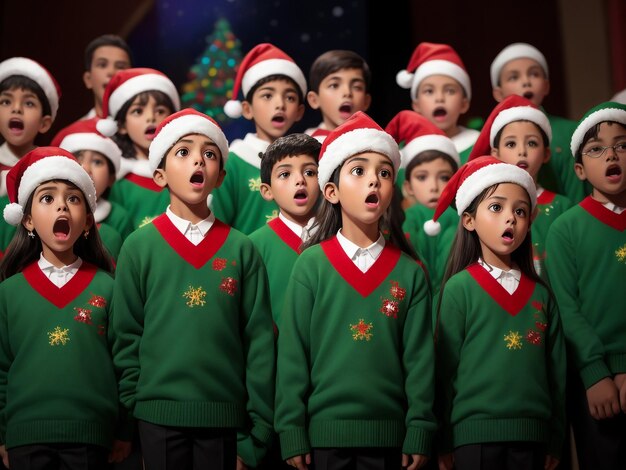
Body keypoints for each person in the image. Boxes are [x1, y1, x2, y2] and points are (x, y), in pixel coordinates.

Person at [111, 108, 275, 470]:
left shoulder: (242, 248)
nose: (198, 160)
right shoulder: (138, 247)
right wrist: (137, 407)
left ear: (220, 177)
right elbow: (125, 336)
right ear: (159, 174)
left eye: (210, 153)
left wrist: (257, 429)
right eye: (183, 152)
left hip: (224, 419)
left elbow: (259, 341)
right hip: (156, 418)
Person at [275, 111, 436, 470]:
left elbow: (421, 363)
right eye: (359, 171)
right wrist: (291, 430)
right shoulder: (310, 266)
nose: (374, 183)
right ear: (330, 191)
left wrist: (420, 429)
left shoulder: (411, 273)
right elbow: (292, 357)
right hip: (323, 440)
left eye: (384, 173)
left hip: (392, 441)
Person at [0, 147, 131, 469]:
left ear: (88, 221)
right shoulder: (8, 292)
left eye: (73, 199)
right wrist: (4, 434)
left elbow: (126, 364)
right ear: (27, 219)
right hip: (24, 439)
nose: (61, 205)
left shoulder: (109, 288)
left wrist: (124, 431)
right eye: (47, 198)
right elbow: (2, 371)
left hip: (92, 438)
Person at [432, 156, 566, 470]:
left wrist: (556, 439)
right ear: (469, 220)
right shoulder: (458, 289)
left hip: (533, 439)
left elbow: (556, 375)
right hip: (472, 440)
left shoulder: (541, 295)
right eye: (496, 207)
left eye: (520, 211)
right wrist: (444, 440)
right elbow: (443, 373)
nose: (510, 219)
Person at [545, 101, 626, 469]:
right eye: (597, 149)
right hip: (593, 381)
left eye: (622, 145)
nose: (612, 155)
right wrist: (597, 373)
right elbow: (566, 306)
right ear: (579, 168)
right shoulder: (566, 228)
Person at [469, 95, 573, 280]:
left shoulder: (563, 206)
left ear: (546, 153)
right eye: (511, 143)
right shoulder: (486, 207)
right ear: (496, 153)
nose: (522, 151)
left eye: (531, 143)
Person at [213, 43, 306, 234]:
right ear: (247, 109)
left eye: (289, 98)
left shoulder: (308, 162)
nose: (280, 104)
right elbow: (218, 227)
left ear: (299, 111)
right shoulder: (234, 162)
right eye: (267, 96)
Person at [490, 42, 588, 203]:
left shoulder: (571, 131)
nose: (526, 82)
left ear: (546, 85)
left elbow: (578, 190)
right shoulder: (493, 135)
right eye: (514, 77)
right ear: (498, 93)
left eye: (534, 74)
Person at [249, 133, 321, 330]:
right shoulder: (253, 247)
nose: (300, 180)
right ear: (267, 190)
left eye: (310, 172)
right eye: (285, 174)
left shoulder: (338, 239)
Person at [385, 110, 459, 294]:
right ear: (408, 186)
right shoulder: (407, 220)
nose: (434, 186)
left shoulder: (460, 221)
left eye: (444, 177)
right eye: (422, 177)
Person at [100, 67, 180, 229]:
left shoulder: (183, 172)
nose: (151, 117)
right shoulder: (119, 182)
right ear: (122, 125)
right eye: (138, 111)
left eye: (160, 111)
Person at [0, 57, 61, 256]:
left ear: (44, 123)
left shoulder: (50, 168)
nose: (16, 108)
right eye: (6, 101)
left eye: (28, 103)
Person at [52, 118, 134, 260]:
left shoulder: (119, 217)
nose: (86, 169)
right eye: (78, 159)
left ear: (111, 178)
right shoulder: (51, 214)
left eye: (97, 162)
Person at [396, 42, 478, 164]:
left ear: (464, 104)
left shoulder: (478, 145)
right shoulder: (402, 153)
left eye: (450, 91)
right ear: (416, 105)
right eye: (429, 91)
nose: (439, 98)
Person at [304, 50, 371, 142]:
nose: (347, 92)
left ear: (366, 101)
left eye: (356, 87)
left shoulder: (374, 142)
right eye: (334, 85)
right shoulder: (306, 146)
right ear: (314, 100)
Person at [81, 34, 133, 119]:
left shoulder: (152, 130)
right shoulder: (74, 132)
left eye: (120, 66)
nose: (111, 72)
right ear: (88, 79)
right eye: (102, 65)